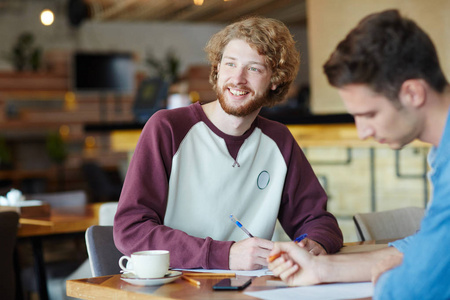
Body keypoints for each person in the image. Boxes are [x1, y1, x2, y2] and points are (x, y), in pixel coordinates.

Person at [113, 16, 343, 271]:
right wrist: (225, 254)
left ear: (275, 79)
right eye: (230, 64)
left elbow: (317, 219)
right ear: (217, 68)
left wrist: (315, 243)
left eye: (254, 68)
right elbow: (131, 230)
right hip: (174, 287)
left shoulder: (279, 141)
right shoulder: (167, 128)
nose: (238, 79)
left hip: (250, 289)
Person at [267, 9, 450, 299]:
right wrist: (321, 269)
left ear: (413, 93)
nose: (362, 131)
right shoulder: (442, 154)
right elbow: (433, 247)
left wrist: (392, 278)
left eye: (369, 114)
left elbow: (418, 287)